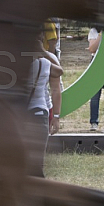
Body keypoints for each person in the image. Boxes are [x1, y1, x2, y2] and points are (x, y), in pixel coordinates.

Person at [27, 35, 63, 177]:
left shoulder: (13, 59)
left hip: (17, 113)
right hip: (39, 112)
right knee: (37, 163)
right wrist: (42, 52)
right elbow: (59, 71)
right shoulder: (45, 62)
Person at [86, 27, 103, 131]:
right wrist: (101, 34)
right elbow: (92, 49)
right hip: (96, 61)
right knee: (95, 95)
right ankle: (94, 122)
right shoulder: (94, 31)